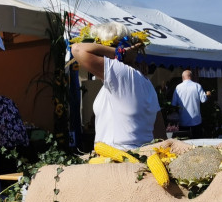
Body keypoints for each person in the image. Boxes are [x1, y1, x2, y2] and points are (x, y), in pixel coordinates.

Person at [71, 22, 160, 150]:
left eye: (99, 48)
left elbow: (78, 49)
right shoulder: (145, 82)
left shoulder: (121, 74)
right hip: (137, 156)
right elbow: (159, 132)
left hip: (119, 157)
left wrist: (121, 53)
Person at [171, 69, 207, 139]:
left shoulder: (178, 87)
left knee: (185, 145)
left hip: (183, 121)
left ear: (183, 78)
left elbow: (174, 104)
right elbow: (203, 100)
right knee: (198, 143)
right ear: (191, 77)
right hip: (196, 121)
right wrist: (207, 95)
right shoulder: (197, 86)